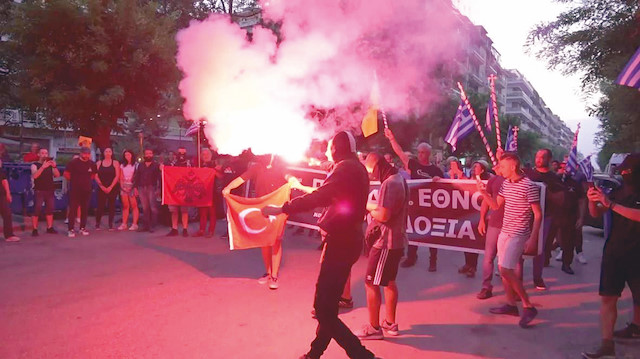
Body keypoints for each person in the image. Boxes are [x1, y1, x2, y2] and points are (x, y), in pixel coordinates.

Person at [262, 131, 375, 359]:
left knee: (323, 310)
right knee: (329, 308)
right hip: (348, 240)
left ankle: (363, 356)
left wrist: (281, 209)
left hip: (341, 243)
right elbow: (327, 189)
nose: (325, 151)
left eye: (328, 147)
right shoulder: (353, 167)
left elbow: (320, 197)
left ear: (336, 149)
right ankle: (314, 354)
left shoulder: (345, 168)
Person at [582, 153, 640, 359]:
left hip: (637, 253)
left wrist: (611, 205)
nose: (624, 173)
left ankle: (636, 327)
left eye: (628, 170)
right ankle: (607, 344)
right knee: (608, 297)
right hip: (615, 251)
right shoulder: (618, 189)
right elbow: (598, 213)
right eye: (623, 169)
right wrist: (593, 200)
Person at [477, 152, 541, 328]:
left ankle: (527, 305)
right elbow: (496, 206)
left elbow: (537, 214)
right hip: (505, 231)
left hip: (518, 233)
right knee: (503, 268)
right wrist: (484, 194)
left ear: (513, 166)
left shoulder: (529, 186)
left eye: (503, 166)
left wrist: (533, 237)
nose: (499, 169)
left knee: (505, 269)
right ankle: (511, 305)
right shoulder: (505, 184)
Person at [356, 152, 408, 340]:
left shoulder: (390, 183)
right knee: (389, 282)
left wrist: (367, 207)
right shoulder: (398, 178)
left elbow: (384, 215)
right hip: (395, 241)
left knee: (370, 282)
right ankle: (390, 323)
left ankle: (374, 328)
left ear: (378, 166)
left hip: (385, 242)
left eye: (371, 170)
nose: (372, 175)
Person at [224, 154, 288, 290]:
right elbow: (241, 179)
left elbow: (289, 176)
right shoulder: (256, 167)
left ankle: (274, 275)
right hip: (262, 209)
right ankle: (268, 272)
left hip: (278, 208)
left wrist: (293, 181)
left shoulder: (280, 166)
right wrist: (228, 188)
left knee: (276, 240)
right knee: (264, 240)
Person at [384, 127, 443, 271]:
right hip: (415, 204)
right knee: (413, 230)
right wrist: (392, 138)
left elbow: (446, 187)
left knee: (431, 234)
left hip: (430, 207)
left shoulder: (436, 170)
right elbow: (400, 153)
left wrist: (439, 179)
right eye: (419, 152)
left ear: (428, 154)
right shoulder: (414, 165)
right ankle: (411, 257)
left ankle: (433, 260)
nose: (420, 154)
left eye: (423, 152)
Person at [524, 148, 564, 290]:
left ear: (549, 159)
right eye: (537, 156)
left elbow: (561, 199)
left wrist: (546, 193)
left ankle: (537, 278)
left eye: (542, 157)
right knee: (519, 244)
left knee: (539, 247)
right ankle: (517, 276)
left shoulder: (554, 178)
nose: (539, 159)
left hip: (545, 217)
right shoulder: (527, 174)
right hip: (524, 215)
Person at [477, 162, 506, 300]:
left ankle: (515, 288)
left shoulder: (518, 180)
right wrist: (482, 219)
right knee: (489, 256)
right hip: (494, 223)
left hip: (511, 225)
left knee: (515, 259)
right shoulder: (493, 180)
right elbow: (486, 201)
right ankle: (486, 287)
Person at [458, 160, 490, 278]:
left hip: (478, 216)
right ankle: (467, 264)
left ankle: (473, 267)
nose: (473, 168)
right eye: (472, 166)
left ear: (482, 170)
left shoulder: (485, 183)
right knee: (466, 241)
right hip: (466, 216)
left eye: (476, 167)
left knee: (474, 242)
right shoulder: (468, 181)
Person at [64, 147, 97, 238]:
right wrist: (75, 181)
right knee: (73, 210)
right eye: (84, 153)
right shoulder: (73, 163)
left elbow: (93, 175)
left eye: (88, 154)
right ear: (81, 153)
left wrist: (86, 182)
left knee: (85, 210)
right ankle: (70, 229)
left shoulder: (92, 164)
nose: (86, 155)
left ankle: (82, 228)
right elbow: (66, 174)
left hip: (87, 190)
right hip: (75, 190)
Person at [31, 148, 60, 236]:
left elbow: (57, 175)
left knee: (50, 209)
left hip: (49, 189)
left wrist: (54, 167)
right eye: (42, 153)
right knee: (37, 209)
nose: (44, 155)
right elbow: (35, 176)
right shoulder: (35, 165)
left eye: (46, 153)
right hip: (39, 190)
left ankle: (49, 227)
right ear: (39, 154)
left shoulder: (50, 165)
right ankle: (35, 229)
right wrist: (43, 167)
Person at [194, 148, 223, 238]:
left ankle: (211, 230)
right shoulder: (199, 164)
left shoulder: (215, 164)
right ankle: (201, 230)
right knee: (202, 211)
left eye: (207, 154)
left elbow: (221, 176)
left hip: (213, 190)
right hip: (202, 190)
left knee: (212, 212)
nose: (205, 156)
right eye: (203, 154)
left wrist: (215, 171)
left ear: (210, 155)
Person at [134, 148, 161, 233]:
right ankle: (146, 225)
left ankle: (153, 226)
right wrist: (135, 188)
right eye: (147, 154)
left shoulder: (156, 165)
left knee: (153, 208)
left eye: (150, 153)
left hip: (152, 188)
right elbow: (137, 177)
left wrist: (158, 189)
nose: (148, 155)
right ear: (144, 155)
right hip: (141, 188)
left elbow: (159, 178)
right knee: (145, 208)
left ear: (152, 155)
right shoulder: (140, 165)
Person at [166, 146, 191, 237]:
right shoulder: (173, 163)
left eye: (183, 153)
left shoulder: (189, 164)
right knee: (174, 211)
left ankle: (185, 229)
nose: (181, 155)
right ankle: (174, 228)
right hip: (174, 190)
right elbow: (167, 172)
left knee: (184, 211)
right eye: (180, 153)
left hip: (185, 189)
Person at [95, 148, 121, 231]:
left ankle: (110, 224)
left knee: (111, 206)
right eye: (106, 151)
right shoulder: (99, 163)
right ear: (103, 153)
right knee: (100, 206)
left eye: (109, 151)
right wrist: (101, 186)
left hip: (112, 187)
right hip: (101, 187)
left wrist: (110, 187)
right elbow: (95, 175)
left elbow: (117, 176)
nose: (108, 153)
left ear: (112, 153)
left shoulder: (115, 163)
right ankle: (97, 223)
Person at [118, 150, 139, 231]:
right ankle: (124, 223)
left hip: (132, 186)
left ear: (132, 155)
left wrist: (133, 186)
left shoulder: (136, 165)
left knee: (134, 205)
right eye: (125, 155)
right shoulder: (122, 165)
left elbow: (137, 177)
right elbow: (121, 176)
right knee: (125, 205)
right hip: (124, 186)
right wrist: (122, 186)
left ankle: (134, 224)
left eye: (128, 155)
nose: (127, 156)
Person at [0, 165, 20, 242]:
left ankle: (9, 235)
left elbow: (4, 181)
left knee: (7, 214)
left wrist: (8, 193)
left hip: (1, 195)